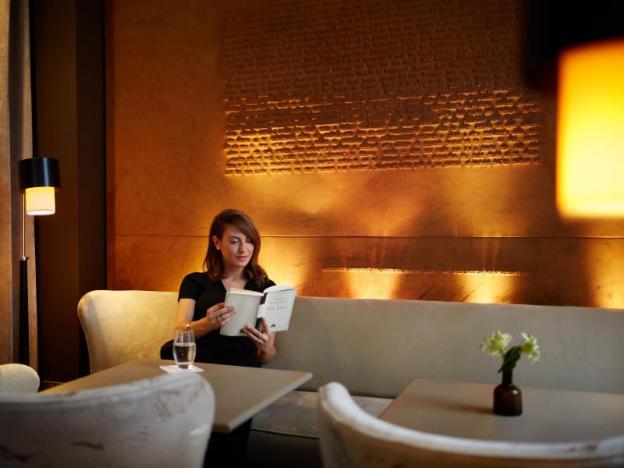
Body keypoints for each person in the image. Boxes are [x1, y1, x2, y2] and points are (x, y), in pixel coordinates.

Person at [161, 208, 277, 464]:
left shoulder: (267, 288)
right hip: (202, 363)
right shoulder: (194, 281)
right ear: (216, 242)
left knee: (229, 425)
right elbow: (180, 332)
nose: (243, 249)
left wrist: (266, 345)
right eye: (234, 241)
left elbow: (267, 356)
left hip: (242, 367)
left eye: (249, 241)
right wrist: (207, 323)